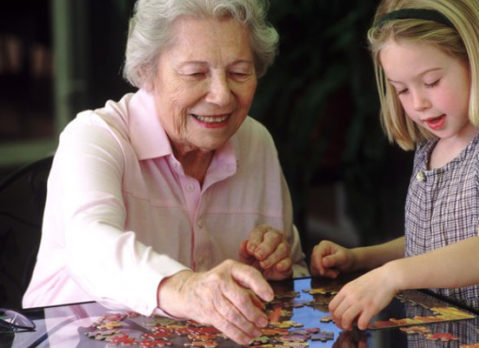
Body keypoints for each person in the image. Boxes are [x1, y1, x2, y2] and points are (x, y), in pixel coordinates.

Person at [22, 0, 308, 344]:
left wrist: (276, 274)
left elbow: (298, 282)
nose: (221, 96)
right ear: (147, 72)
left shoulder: (256, 142)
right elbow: (89, 246)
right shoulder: (95, 137)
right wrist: (184, 287)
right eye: (195, 73)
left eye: (239, 73)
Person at [311, 0, 479, 337]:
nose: (418, 104)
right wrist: (359, 258)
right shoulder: (428, 148)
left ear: (475, 61)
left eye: (432, 82)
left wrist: (391, 275)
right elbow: (432, 245)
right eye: (402, 90)